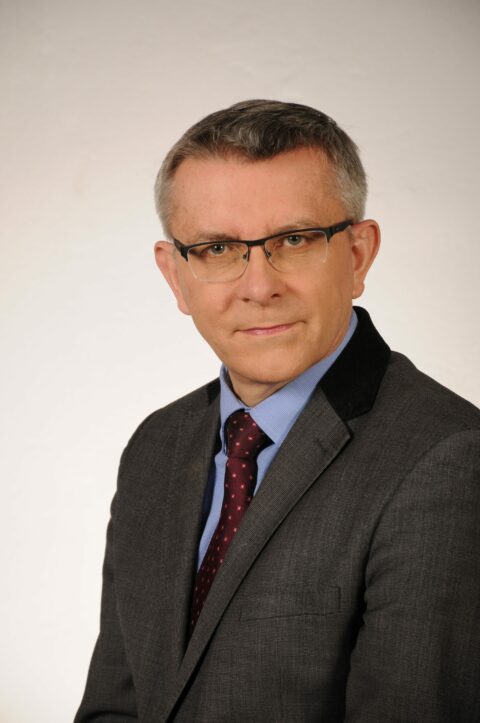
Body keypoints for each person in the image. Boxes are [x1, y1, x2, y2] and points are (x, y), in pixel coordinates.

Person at [75, 100, 480, 722]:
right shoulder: (157, 446)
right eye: (216, 248)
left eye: (294, 239)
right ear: (175, 275)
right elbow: (115, 707)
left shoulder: (447, 461)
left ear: (358, 254)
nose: (259, 286)